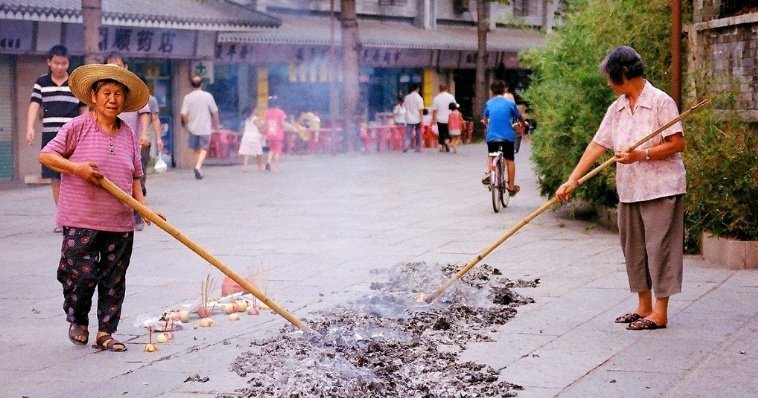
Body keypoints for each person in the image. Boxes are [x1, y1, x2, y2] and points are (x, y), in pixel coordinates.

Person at [556, 45, 686, 331]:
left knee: (660, 248)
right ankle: (643, 306)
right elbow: (598, 144)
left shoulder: (661, 102)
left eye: (610, 77)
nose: (608, 83)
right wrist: (573, 179)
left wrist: (643, 155)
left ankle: (660, 312)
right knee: (634, 248)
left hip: (661, 188)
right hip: (630, 189)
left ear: (623, 75)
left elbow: (677, 143)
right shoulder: (616, 108)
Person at [38, 63, 165, 352]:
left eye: (118, 94)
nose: (112, 99)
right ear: (93, 96)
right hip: (81, 217)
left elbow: (135, 176)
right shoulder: (77, 127)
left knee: (114, 278)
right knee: (79, 273)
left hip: (119, 221)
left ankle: (106, 332)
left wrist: (144, 209)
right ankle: (78, 319)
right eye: (106, 92)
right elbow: (46, 155)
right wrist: (77, 168)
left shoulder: (128, 134)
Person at [25, 45, 87, 233]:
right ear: (49, 62)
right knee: (55, 178)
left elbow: (84, 110)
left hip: (73, 137)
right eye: (56, 63)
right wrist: (30, 127)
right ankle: (63, 219)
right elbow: (34, 105)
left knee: (75, 175)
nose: (60, 67)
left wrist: (85, 131)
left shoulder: (76, 83)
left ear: (69, 63)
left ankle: (78, 216)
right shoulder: (41, 82)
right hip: (51, 138)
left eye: (64, 63)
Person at [104, 53, 152, 231]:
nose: (115, 69)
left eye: (118, 65)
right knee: (115, 180)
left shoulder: (133, 89)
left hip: (133, 143)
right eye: (111, 66)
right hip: (111, 143)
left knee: (135, 179)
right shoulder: (103, 90)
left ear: (126, 67)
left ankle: (137, 214)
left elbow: (144, 113)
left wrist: (144, 134)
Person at [482, 80, 526, 196]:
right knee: (510, 160)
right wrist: (524, 124)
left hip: (492, 137)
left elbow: (485, 118)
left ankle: (489, 173)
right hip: (507, 137)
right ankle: (511, 187)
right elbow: (519, 116)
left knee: (491, 154)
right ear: (504, 90)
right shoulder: (510, 103)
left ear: (491, 91)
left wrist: (487, 123)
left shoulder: (489, 103)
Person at [180, 75, 220, 180]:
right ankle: (198, 167)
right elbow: (215, 112)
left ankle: (198, 168)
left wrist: (186, 125)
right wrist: (217, 124)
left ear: (191, 85)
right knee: (204, 148)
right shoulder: (208, 96)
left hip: (192, 128)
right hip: (205, 128)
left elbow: (183, 114)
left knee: (196, 149)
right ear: (202, 84)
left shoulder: (187, 97)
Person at [263, 96, 287, 171]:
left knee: (272, 149)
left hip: (270, 135)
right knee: (277, 151)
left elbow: (265, 124)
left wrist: (265, 133)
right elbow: (282, 123)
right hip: (278, 134)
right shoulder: (281, 112)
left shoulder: (267, 113)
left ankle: (268, 162)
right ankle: (276, 167)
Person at [431, 84, 457, 152]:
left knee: (441, 132)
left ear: (439, 89)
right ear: (447, 88)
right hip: (449, 118)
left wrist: (433, 119)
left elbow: (434, 110)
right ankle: (447, 142)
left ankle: (442, 147)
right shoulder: (451, 97)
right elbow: (455, 107)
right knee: (448, 132)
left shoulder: (436, 98)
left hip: (440, 119)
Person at [239, 106, 265, 172]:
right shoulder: (254, 119)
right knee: (258, 153)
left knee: (246, 153)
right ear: (253, 110)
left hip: (246, 137)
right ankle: (260, 166)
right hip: (254, 138)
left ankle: (245, 167)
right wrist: (263, 123)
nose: (257, 110)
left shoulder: (247, 119)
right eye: (256, 109)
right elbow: (259, 126)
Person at [402, 83, 424, 152]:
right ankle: (417, 147)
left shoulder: (407, 97)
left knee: (408, 132)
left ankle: (406, 144)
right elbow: (420, 109)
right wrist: (421, 119)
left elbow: (404, 108)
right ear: (417, 89)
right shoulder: (419, 98)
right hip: (417, 118)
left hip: (409, 117)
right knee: (418, 132)